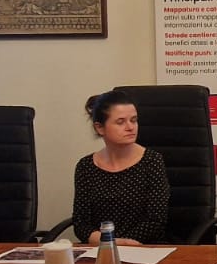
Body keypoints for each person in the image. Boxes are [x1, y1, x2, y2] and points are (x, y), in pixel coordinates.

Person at [71, 90, 169, 245]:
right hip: (101, 248)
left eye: (134, 120)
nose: (130, 127)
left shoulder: (152, 161)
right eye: (120, 122)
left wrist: (122, 244)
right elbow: (81, 223)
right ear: (100, 128)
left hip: (142, 248)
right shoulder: (85, 166)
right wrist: (111, 243)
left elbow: (156, 221)